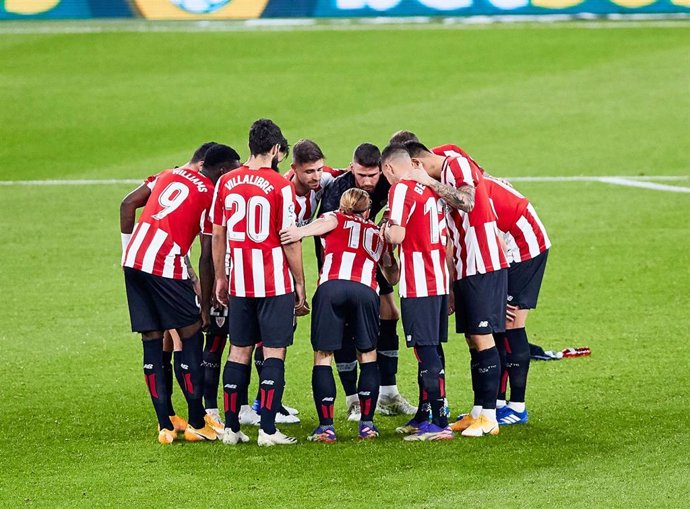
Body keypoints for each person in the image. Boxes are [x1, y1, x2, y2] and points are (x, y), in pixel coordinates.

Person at [120, 143, 242, 436]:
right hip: (165, 263)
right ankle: (198, 423)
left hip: (134, 259)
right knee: (189, 338)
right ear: (223, 170)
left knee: (151, 340)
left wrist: (127, 253)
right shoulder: (212, 195)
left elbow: (127, 204)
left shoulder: (168, 173)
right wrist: (204, 306)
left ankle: (165, 424)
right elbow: (205, 255)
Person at [212, 119, 307, 446]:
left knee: (237, 352)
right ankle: (268, 429)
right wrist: (300, 284)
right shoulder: (281, 185)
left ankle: (231, 428)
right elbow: (290, 240)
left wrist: (221, 277)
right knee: (273, 354)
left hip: (239, 283)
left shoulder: (226, 182)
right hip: (273, 284)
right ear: (277, 149)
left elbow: (218, 234)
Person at [405, 141, 508, 438]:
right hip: (465, 265)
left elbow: (468, 201)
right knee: (472, 339)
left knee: (482, 336)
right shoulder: (442, 173)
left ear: (416, 163)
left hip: (483, 262)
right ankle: (478, 411)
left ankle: (490, 416)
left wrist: (426, 181)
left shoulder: (454, 164)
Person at [281, 188, 399, 441]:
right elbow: (393, 275)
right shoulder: (378, 234)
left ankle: (326, 427)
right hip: (366, 291)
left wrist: (299, 231)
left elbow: (319, 226)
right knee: (368, 355)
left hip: (331, 288)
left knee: (323, 357)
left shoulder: (334, 217)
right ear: (368, 210)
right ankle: (367, 425)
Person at [318, 143, 415, 420]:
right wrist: (324, 273)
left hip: (373, 255)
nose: (368, 181)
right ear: (352, 168)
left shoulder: (390, 184)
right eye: (362, 176)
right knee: (346, 322)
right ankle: (353, 400)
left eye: (372, 176)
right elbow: (323, 234)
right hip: (343, 264)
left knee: (390, 313)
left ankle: (389, 392)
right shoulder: (338, 190)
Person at [378, 144, 453, 441]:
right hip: (437, 279)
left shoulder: (400, 189)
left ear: (389, 168)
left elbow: (396, 234)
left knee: (425, 350)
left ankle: (440, 423)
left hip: (419, 283)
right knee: (432, 348)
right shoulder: (431, 189)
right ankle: (426, 414)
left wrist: (385, 232)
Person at [481, 175, 550, 425]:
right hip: (512, 246)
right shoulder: (456, 170)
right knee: (498, 325)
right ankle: (498, 403)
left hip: (523, 250)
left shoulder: (459, 185)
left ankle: (517, 407)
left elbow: (496, 241)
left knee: (511, 323)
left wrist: (496, 289)